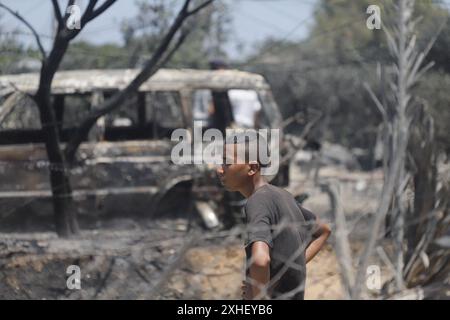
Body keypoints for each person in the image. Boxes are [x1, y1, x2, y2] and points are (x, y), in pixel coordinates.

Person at [216, 132, 331, 300]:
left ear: (252, 168)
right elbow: (323, 231)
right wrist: (290, 268)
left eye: (227, 163)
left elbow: (260, 260)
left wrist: (259, 297)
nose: (219, 169)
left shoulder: (257, 203)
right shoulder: (283, 196)